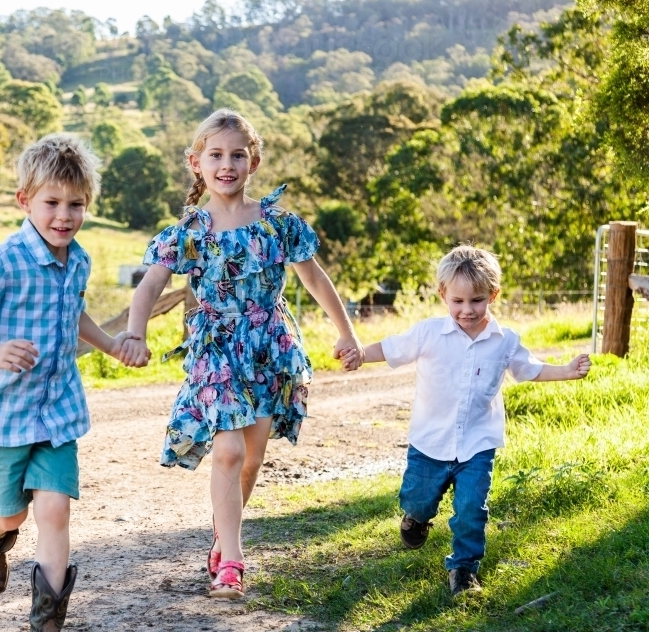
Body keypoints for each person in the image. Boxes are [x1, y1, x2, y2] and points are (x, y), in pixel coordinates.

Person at [119, 109, 364, 599]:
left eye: (236, 155)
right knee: (227, 452)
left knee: (251, 460)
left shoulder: (277, 225)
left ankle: (222, 535)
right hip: (216, 347)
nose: (226, 164)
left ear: (253, 161)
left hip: (270, 346)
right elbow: (149, 286)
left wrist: (346, 332)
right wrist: (134, 334)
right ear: (196, 163)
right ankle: (231, 561)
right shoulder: (189, 231)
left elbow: (313, 278)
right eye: (215, 155)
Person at [0, 134, 141, 632]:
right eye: (52, 202)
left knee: (55, 510)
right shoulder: (4, 262)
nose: (64, 215)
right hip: (1, 417)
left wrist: (110, 344)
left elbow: (73, 313)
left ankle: (46, 629)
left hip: (57, 411)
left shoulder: (79, 261)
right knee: (10, 515)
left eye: (76, 205)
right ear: (24, 201)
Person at [360, 245, 592, 598]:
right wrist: (359, 354)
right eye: (458, 302)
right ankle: (417, 518)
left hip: (477, 445)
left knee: (471, 510)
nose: (467, 310)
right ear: (443, 295)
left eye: (477, 301)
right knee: (418, 498)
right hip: (429, 443)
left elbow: (529, 369)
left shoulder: (504, 341)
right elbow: (390, 348)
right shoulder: (428, 333)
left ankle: (464, 570)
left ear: (493, 295)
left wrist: (567, 371)